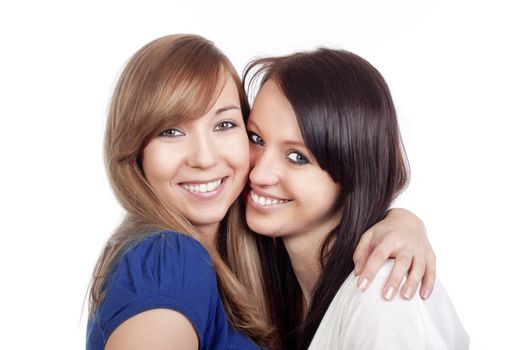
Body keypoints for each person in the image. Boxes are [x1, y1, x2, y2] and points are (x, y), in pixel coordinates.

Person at [87, 34, 437, 350]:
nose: (206, 158)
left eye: (225, 125)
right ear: (136, 151)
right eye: (171, 131)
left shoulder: (257, 265)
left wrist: (402, 220)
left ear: (353, 175)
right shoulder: (171, 259)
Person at [244, 49, 469, 349]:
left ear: (352, 172)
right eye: (256, 139)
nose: (259, 174)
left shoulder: (382, 295)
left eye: (297, 157)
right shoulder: (271, 274)